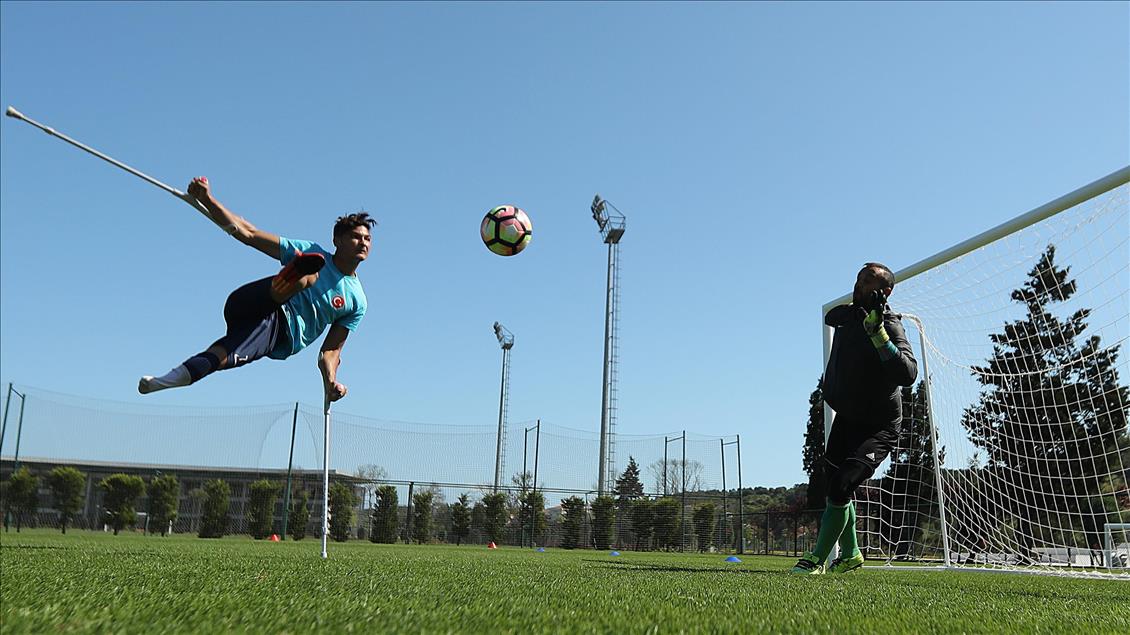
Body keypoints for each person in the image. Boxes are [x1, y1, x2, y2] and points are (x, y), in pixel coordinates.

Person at [138, 177, 373, 403]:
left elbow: (330, 351)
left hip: (281, 333)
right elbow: (248, 232)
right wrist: (208, 199)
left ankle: (164, 381)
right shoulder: (312, 251)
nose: (363, 242)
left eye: (367, 238)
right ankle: (295, 278)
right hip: (252, 301)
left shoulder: (357, 300)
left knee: (223, 355)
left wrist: (331, 382)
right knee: (310, 272)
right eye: (355, 237)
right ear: (337, 240)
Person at [792, 262, 918, 574]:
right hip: (847, 419)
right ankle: (851, 554)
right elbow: (830, 315)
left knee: (842, 484)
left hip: (878, 427)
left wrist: (878, 335)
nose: (858, 286)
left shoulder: (891, 324)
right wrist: (859, 316)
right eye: (859, 280)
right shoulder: (849, 315)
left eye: (867, 283)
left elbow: (908, 373)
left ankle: (816, 560)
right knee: (836, 488)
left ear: (884, 292)